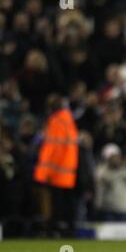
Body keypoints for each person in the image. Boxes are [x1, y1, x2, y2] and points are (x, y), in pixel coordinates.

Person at [33, 94, 78, 237]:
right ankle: (68, 229)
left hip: (57, 171)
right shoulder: (68, 119)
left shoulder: (57, 121)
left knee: (55, 202)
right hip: (68, 170)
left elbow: (53, 148)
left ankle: (53, 229)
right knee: (67, 202)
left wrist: (46, 172)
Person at [95, 143, 126, 221]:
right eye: (112, 157)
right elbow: (103, 180)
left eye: (117, 156)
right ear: (107, 158)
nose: (116, 159)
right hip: (108, 210)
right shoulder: (102, 170)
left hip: (124, 209)